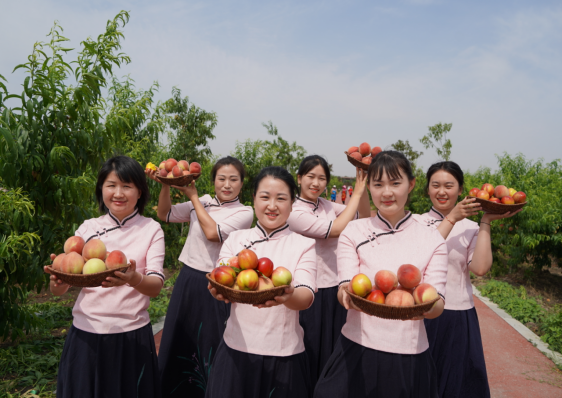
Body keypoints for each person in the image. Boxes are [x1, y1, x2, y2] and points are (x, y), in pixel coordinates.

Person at [314, 151, 448, 398]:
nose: (387, 193)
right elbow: (345, 285)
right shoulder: (354, 232)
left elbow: (438, 300)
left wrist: (427, 306)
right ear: (369, 187)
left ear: (412, 184)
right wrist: (346, 295)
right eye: (378, 184)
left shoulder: (432, 239)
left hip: (408, 354)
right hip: (356, 347)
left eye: (396, 183)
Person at [45, 155, 165, 398]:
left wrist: (133, 279)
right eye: (111, 185)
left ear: (140, 192)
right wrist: (57, 282)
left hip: (131, 336)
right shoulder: (87, 230)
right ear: (101, 189)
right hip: (86, 334)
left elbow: (155, 287)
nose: (118, 193)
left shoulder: (151, 229)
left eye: (127, 186)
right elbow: (62, 289)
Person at [206, 166, 317, 398]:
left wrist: (287, 295)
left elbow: (306, 297)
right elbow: (222, 276)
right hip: (236, 349)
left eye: (281, 198)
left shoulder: (303, 244)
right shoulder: (237, 239)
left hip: (285, 355)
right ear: (253, 199)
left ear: (292, 203)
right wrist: (217, 290)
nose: (272, 206)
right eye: (265, 197)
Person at [147, 156, 254, 397]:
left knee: (209, 342)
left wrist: (193, 197)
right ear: (213, 180)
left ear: (242, 183)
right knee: (179, 337)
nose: (227, 185)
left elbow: (212, 234)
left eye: (233, 180)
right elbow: (165, 214)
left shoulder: (245, 212)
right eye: (221, 179)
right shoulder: (204, 201)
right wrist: (165, 184)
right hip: (189, 279)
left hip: (218, 284)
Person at [416, 161, 521, 398]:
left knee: (458, 383)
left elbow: (480, 268)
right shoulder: (416, 222)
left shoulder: (470, 227)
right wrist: (451, 218)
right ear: (427, 189)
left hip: (458, 313)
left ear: (461, 189)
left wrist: (485, 222)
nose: (442, 191)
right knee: (422, 380)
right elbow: (420, 258)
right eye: (435, 185)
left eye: (449, 185)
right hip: (421, 312)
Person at [288, 155, 371, 383]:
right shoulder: (294, 212)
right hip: (308, 290)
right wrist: (356, 193)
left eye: (322, 178)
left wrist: (361, 188)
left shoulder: (326, 205)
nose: (316, 183)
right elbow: (335, 229)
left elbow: (362, 216)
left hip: (334, 287)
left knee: (333, 349)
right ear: (299, 178)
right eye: (310, 177)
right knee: (310, 348)